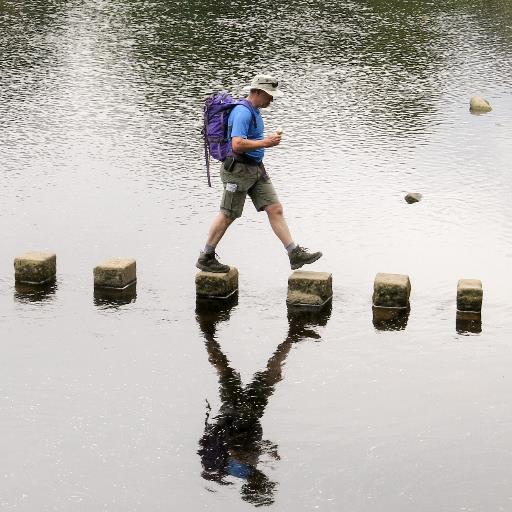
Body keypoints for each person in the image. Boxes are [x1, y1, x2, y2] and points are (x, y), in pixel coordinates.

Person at [196, 74, 322, 273]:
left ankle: (294, 253)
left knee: (275, 208)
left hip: (255, 168)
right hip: (237, 170)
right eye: (269, 95)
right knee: (229, 214)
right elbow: (237, 144)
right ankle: (206, 256)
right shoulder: (242, 113)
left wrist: (263, 145)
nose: (271, 99)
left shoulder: (254, 111)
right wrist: (266, 142)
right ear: (256, 92)